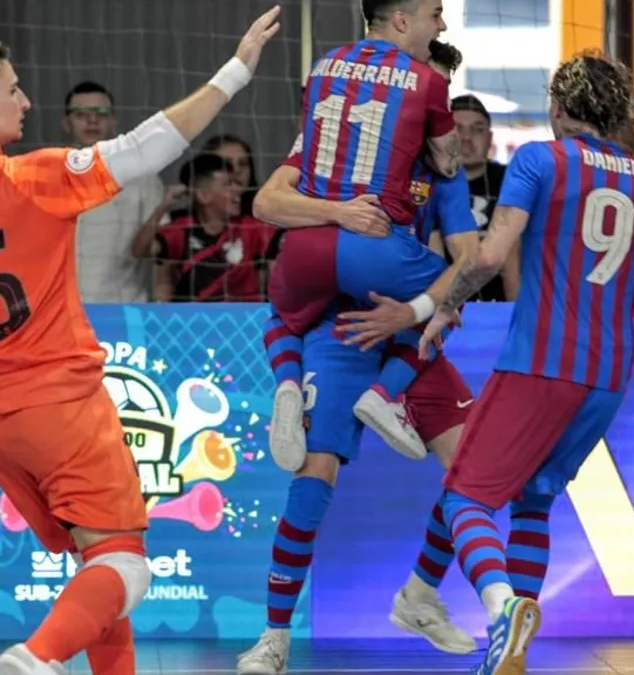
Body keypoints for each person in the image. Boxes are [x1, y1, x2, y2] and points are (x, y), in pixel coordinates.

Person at [0, 9, 281, 675]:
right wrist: (236, 72)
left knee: (97, 568)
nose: (26, 100)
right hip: (60, 407)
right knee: (126, 563)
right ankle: (35, 657)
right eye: (13, 89)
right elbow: (152, 144)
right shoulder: (30, 176)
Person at [415, 51, 634, 675]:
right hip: (608, 379)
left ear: (561, 109)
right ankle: (512, 654)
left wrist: (442, 307)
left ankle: (499, 610)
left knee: (465, 497)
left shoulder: (541, 158)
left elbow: (489, 255)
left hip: (539, 362)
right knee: (534, 504)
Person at [254, 40, 480, 656]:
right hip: (343, 327)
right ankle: (273, 638)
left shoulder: (446, 172)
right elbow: (269, 202)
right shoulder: (332, 146)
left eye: (435, 82)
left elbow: (467, 260)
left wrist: (416, 310)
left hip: (408, 327)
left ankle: (420, 595)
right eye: (421, 77)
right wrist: (338, 214)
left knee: (474, 472)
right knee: (312, 475)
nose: (422, 90)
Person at [260, 0, 461, 470]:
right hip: (375, 245)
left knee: (282, 317)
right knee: (456, 284)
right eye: (435, 14)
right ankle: (386, 392)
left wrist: (331, 208)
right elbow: (450, 162)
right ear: (402, 21)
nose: (443, 23)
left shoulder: (322, 67)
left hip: (306, 249)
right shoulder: (427, 82)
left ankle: (287, 383)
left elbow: (265, 202)